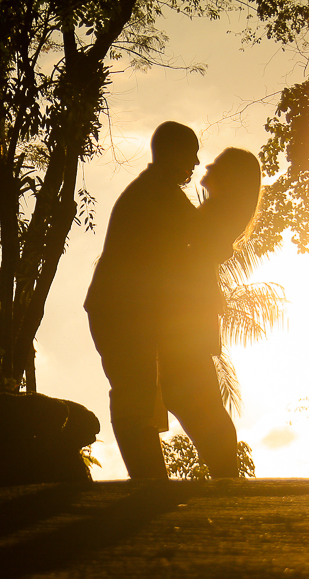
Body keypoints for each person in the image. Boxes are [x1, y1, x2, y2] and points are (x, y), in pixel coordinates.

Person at [85, 121, 200, 480]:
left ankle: (151, 482)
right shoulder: (158, 192)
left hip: (120, 308)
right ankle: (149, 483)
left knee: (137, 393)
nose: (196, 162)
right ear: (173, 153)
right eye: (191, 153)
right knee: (134, 393)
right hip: (120, 310)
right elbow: (206, 236)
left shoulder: (153, 190)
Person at [159, 147, 263, 480]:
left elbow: (189, 253)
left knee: (189, 394)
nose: (208, 165)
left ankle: (226, 473)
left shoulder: (218, 214)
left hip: (187, 315)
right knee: (189, 394)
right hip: (188, 313)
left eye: (217, 164)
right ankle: (224, 471)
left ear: (231, 177)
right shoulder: (218, 212)